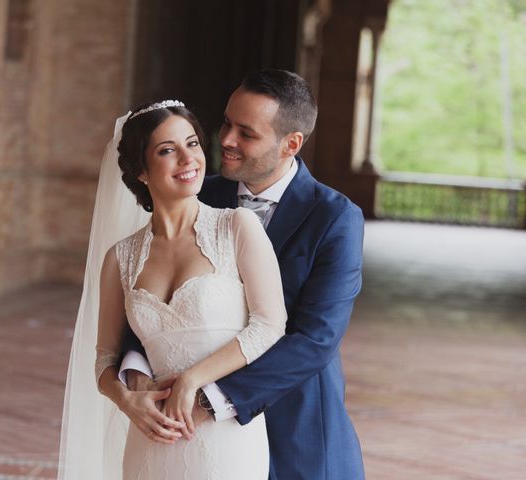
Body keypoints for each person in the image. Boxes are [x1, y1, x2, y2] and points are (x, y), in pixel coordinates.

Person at [122, 69, 366, 479]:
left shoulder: (334, 217)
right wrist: (137, 377)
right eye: (226, 123)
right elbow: (149, 289)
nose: (227, 140)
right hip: (186, 435)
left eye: (246, 133)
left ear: (291, 143)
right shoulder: (198, 192)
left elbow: (315, 339)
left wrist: (208, 401)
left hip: (294, 433)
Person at [57, 99, 288, 479]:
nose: (187, 158)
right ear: (141, 171)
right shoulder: (121, 258)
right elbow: (104, 358)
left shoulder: (237, 228)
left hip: (223, 435)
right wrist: (128, 401)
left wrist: (192, 381)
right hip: (151, 436)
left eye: (192, 143)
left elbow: (269, 324)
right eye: (168, 150)